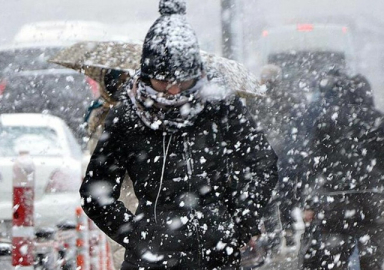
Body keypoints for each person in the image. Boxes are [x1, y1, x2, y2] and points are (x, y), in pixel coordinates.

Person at [79, 0, 279, 269]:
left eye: (182, 82)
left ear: (197, 74)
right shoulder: (127, 117)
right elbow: (96, 193)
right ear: (147, 75)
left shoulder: (221, 107)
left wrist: (239, 223)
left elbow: (262, 163)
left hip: (216, 255)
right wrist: (137, 236)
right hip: (150, 259)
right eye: (162, 81)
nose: (172, 92)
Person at [298, 72, 384, 270]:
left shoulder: (326, 120)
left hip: (333, 199)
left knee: (334, 257)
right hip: (371, 196)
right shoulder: (377, 120)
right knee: (372, 256)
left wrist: (309, 202)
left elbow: (312, 163)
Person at [251, 64, 305, 254]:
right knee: (287, 195)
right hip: (285, 153)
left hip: (265, 153)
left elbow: (253, 124)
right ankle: (289, 232)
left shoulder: (255, 97)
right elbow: (297, 124)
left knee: (269, 198)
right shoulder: (288, 96)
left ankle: (274, 240)